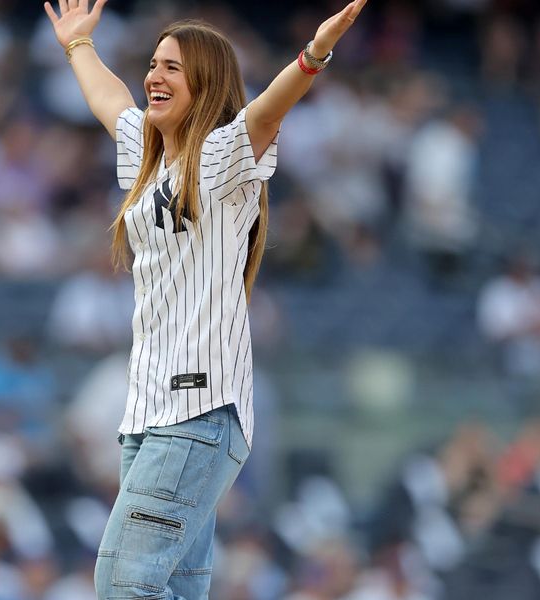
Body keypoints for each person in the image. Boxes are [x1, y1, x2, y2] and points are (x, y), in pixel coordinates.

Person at [43, 1, 368, 598]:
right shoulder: (147, 155)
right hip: (146, 416)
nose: (154, 77)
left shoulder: (220, 157)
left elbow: (266, 112)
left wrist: (312, 56)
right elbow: (109, 101)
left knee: (123, 585)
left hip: (196, 408)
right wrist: (78, 46)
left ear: (207, 83)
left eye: (173, 67)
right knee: (173, 589)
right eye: (153, 63)